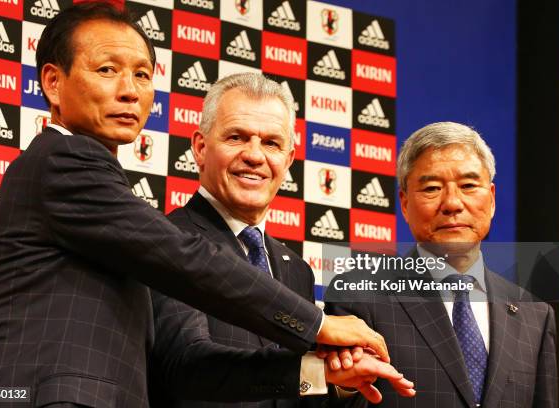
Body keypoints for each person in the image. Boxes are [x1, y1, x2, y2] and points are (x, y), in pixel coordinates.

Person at [0, 4, 388, 407]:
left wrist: (317, 371)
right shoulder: (64, 159)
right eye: (107, 70)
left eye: (143, 75)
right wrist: (318, 325)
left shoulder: (94, 190)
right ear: (53, 82)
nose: (129, 91)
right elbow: (187, 260)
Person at [147, 73, 415, 407]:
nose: (255, 156)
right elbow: (187, 369)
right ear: (200, 148)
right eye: (236, 137)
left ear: (288, 161)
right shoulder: (167, 241)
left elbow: (292, 391)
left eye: (272, 143)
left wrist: (339, 380)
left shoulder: (296, 269)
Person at [326, 122, 557, 408]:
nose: (452, 203)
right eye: (432, 188)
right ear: (405, 203)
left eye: (469, 185)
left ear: (493, 199)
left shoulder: (534, 315)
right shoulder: (360, 296)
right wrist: (343, 389)